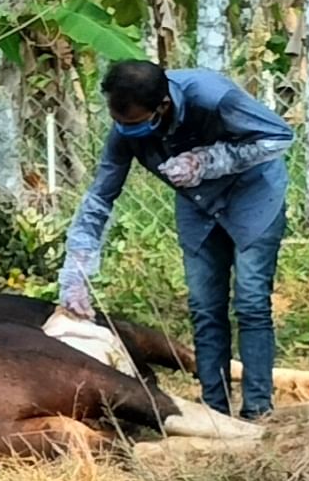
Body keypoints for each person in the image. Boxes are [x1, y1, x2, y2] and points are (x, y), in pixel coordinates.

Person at [58, 60, 294, 419]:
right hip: (198, 207)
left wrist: (209, 159)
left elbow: (278, 136)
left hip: (253, 198)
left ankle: (258, 407)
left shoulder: (213, 97)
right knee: (204, 306)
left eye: (135, 123)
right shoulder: (124, 131)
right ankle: (215, 408)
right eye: (118, 122)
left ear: (162, 106)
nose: (125, 130)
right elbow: (100, 198)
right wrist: (77, 274)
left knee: (250, 301)